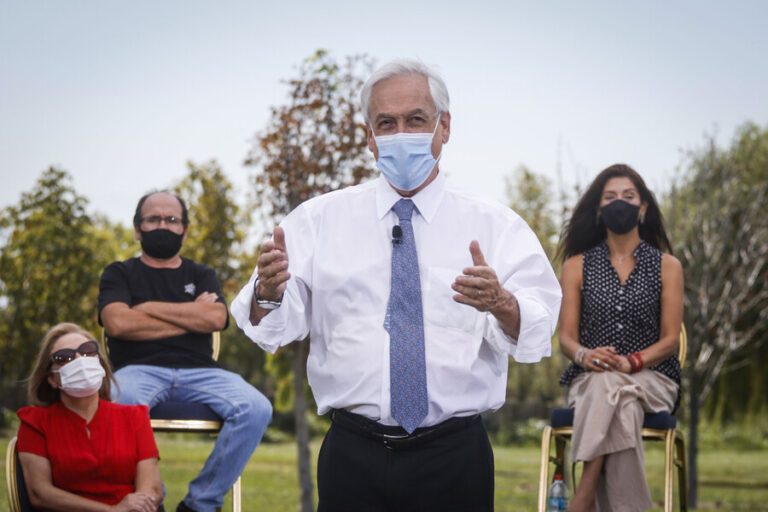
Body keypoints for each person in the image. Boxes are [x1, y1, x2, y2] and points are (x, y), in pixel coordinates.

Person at [231, 59, 562, 511]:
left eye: (416, 120)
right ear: (369, 137)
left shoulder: (495, 226)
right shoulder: (316, 221)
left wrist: (502, 303)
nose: (400, 132)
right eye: (386, 123)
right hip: (353, 454)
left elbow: (540, 325)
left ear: (444, 127)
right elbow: (272, 325)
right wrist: (268, 294)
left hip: (455, 456)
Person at [98, 190, 273, 512]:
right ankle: (152, 500)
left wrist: (146, 308)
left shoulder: (201, 274)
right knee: (118, 403)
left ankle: (200, 503)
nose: (163, 226)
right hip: (137, 369)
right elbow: (118, 324)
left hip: (203, 372)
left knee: (256, 407)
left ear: (185, 230)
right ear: (138, 229)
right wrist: (191, 315)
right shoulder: (119, 273)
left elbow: (217, 317)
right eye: (153, 220)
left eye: (171, 219)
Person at [556, 164, 683, 512]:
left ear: (643, 208)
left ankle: (583, 492)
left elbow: (671, 340)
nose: (620, 203)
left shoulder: (668, 266)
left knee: (614, 386)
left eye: (629, 197)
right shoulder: (576, 266)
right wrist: (586, 356)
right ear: (599, 210)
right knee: (620, 404)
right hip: (591, 379)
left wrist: (634, 361)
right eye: (610, 197)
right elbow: (565, 339)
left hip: (654, 379)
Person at [16, 322, 163, 512]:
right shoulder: (34, 422)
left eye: (87, 350)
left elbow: (151, 489)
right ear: (51, 378)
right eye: (64, 357)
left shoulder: (135, 416)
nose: (79, 360)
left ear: (100, 363)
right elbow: (39, 493)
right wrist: (111, 510)